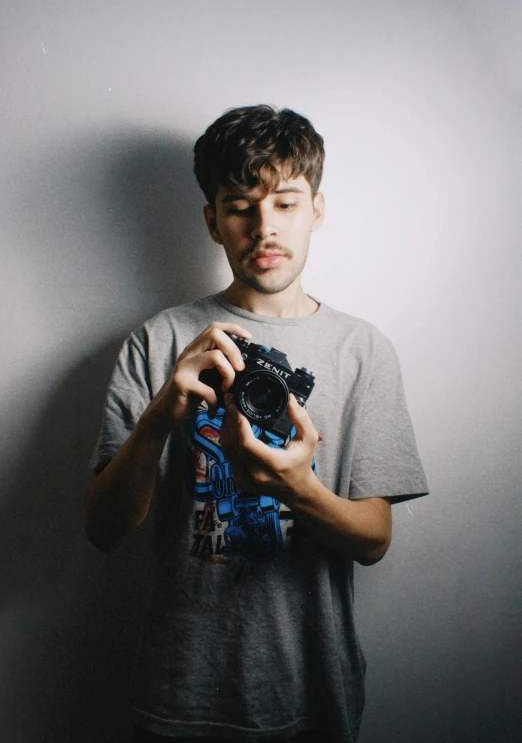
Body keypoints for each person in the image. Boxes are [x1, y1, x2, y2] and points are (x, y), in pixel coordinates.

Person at [84, 104, 429, 743]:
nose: (264, 228)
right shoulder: (158, 341)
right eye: (241, 207)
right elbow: (102, 531)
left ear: (316, 211)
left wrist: (297, 488)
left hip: (314, 694)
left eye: (286, 204)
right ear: (212, 222)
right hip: (180, 696)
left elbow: (374, 540)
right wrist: (162, 416)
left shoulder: (362, 350)